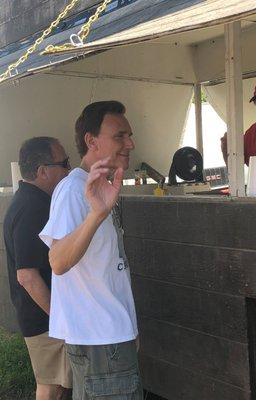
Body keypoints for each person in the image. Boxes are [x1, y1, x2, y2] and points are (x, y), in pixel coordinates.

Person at [39, 101, 143, 400]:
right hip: (102, 341)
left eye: (129, 135)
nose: (130, 143)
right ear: (91, 140)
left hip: (107, 338)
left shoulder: (93, 185)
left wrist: (129, 326)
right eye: (120, 136)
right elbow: (57, 261)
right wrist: (96, 214)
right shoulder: (74, 190)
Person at [3, 137, 72, 400]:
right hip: (45, 321)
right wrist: (61, 320)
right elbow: (27, 276)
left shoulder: (29, 201)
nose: (68, 170)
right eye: (64, 163)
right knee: (52, 387)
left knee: (58, 385)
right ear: (43, 171)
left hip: (44, 319)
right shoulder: (33, 208)